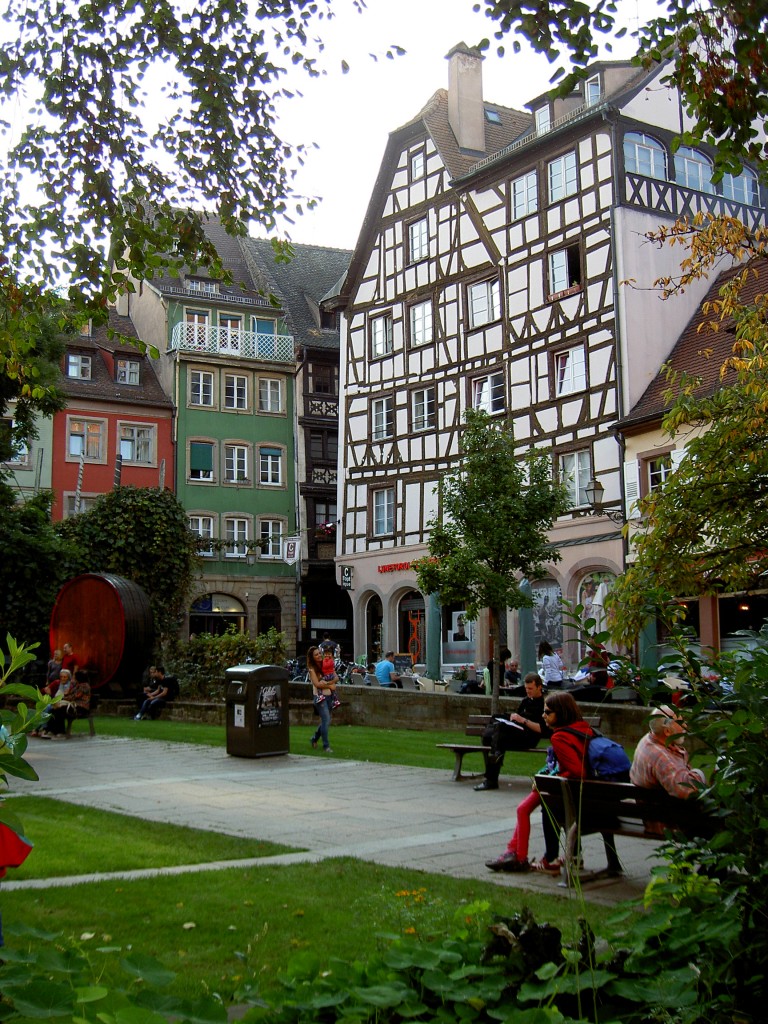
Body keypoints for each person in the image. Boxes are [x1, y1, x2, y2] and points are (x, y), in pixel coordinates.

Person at [485, 691, 595, 874]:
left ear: (561, 713)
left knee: (524, 809)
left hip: (561, 788)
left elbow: (576, 770)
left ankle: (519, 857)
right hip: (581, 792)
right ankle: (512, 851)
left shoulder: (560, 737)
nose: (543, 716)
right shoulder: (583, 728)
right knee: (524, 809)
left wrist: (547, 779)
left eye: (548, 712)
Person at [630, 705, 705, 833]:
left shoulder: (647, 741)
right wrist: (699, 774)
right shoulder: (662, 758)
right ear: (667, 732)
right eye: (680, 723)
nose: (685, 727)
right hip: (669, 824)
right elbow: (686, 790)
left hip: (658, 815)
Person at [475, 672, 550, 791]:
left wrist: (523, 720)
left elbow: (543, 729)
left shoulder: (544, 704)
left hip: (529, 737)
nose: (528, 691)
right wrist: (512, 718)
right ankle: (492, 774)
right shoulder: (526, 701)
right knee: (495, 726)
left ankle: (491, 779)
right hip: (517, 732)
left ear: (539, 687)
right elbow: (519, 717)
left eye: (530, 688)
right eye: (526, 688)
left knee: (499, 735)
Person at [40, 669, 90, 738]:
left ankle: (60, 731)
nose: (74, 678)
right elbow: (70, 693)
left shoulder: (84, 686)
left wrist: (63, 698)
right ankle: (51, 730)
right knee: (54, 710)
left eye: (75, 677)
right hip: (74, 705)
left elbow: (74, 696)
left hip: (80, 708)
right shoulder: (77, 684)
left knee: (59, 711)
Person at [308, 645, 337, 752]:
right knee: (326, 719)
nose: (319, 655)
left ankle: (314, 738)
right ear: (312, 657)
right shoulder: (312, 669)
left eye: (319, 653)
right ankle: (326, 746)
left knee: (326, 720)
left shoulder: (326, 664)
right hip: (320, 698)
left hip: (329, 696)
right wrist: (330, 685)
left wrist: (330, 682)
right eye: (316, 654)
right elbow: (316, 684)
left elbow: (336, 677)